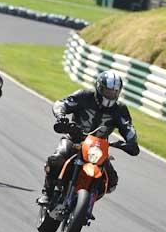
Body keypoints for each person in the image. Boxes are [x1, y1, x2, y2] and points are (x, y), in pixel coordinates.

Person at [37, 70, 140, 205]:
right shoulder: (84, 96)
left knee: (111, 181)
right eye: (107, 91)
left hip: (98, 148)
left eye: (114, 92)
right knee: (57, 159)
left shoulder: (120, 109)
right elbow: (61, 104)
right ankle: (47, 193)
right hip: (74, 139)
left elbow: (128, 128)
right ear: (99, 88)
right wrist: (61, 117)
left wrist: (131, 142)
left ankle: (86, 203)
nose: (110, 95)